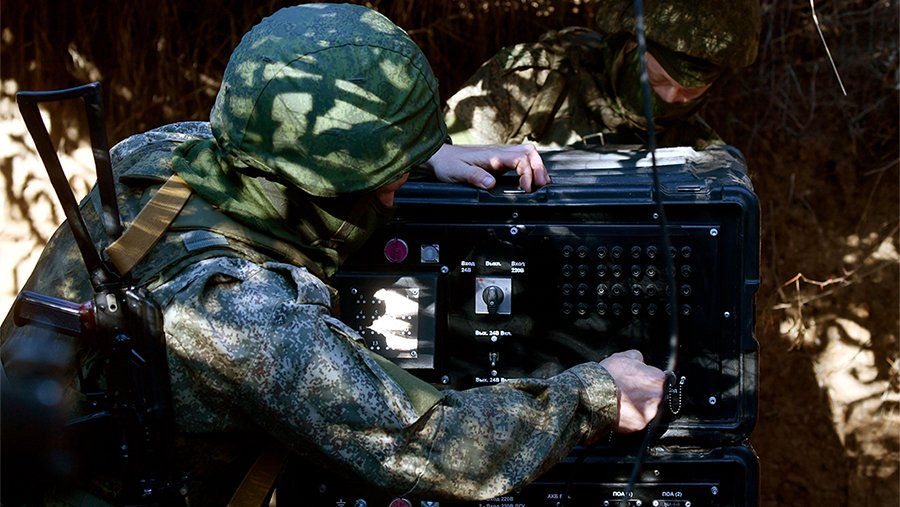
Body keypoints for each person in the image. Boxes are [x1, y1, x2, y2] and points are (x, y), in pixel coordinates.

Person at [0, 3, 665, 505]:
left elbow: (294, 141)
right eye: (385, 171)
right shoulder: (242, 314)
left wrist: (421, 153)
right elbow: (434, 448)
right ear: (335, 181)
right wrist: (596, 394)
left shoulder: (159, 152)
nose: (396, 183)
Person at [443, 0, 762, 156]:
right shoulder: (530, 82)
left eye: (692, 91)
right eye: (656, 78)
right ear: (625, 49)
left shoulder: (700, 151)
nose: (670, 98)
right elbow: (441, 163)